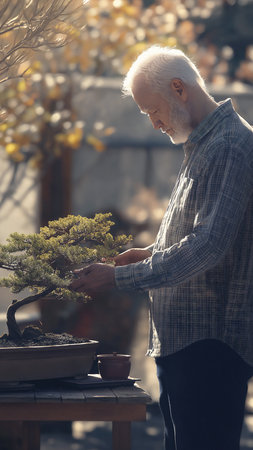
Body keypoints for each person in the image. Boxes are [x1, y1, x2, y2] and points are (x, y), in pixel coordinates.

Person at [71, 45, 253, 450]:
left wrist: (120, 277)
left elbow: (208, 246)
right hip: (187, 345)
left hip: (210, 348)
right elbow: (203, 230)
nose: (153, 123)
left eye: (152, 110)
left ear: (179, 88)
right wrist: (151, 252)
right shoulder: (205, 143)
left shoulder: (228, 146)